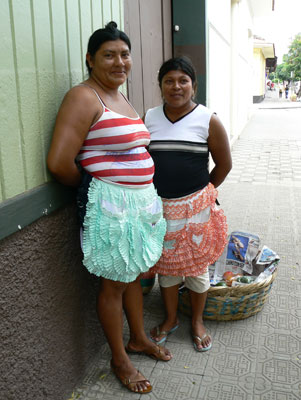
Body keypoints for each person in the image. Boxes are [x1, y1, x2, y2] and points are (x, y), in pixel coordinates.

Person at [47, 21, 172, 394]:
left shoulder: (120, 95)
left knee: (131, 274)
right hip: (111, 209)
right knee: (113, 284)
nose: (120, 62)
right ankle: (120, 358)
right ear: (90, 59)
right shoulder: (85, 97)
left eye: (124, 54)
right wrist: (98, 188)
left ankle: (138, 339)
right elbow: (59, 163)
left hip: (137, 206)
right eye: (109, 55)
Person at [144, 57, 232, 352]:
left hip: (196, 211)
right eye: (169, 81)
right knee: (167, 268)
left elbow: (224, 165)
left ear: (194, 85)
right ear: (161, 86)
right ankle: (170, 320)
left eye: (183, 80)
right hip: (161, 210)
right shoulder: (149, 118)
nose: (176, 86)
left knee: (196, 269)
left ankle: (196, 321)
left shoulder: (208, 119)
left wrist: (202, 195)